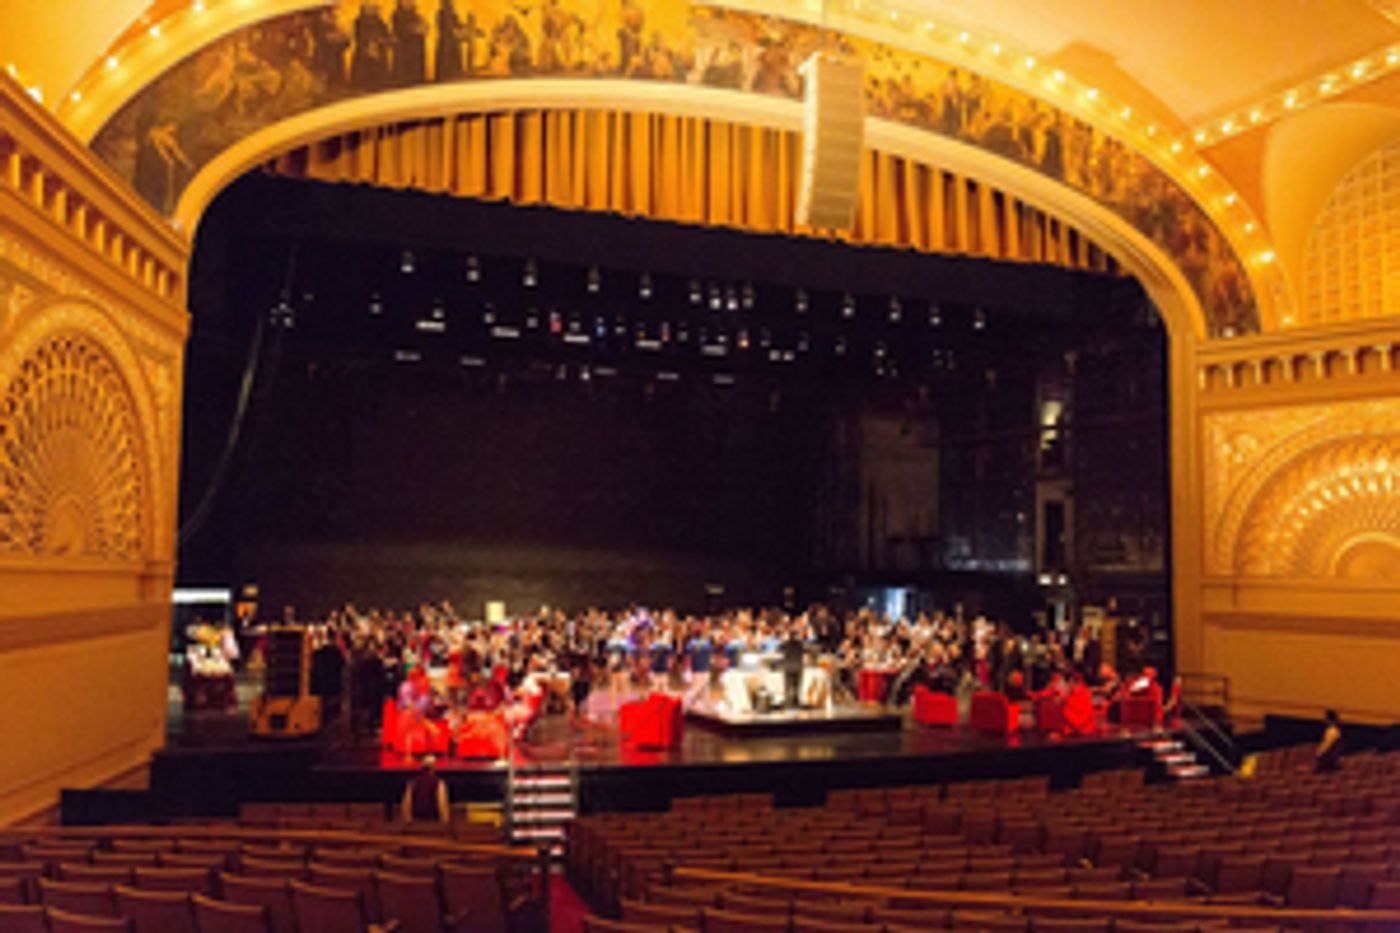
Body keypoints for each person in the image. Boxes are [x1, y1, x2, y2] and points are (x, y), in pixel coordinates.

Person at [400, 755, 450, 823]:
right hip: (432, 819)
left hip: (416, 819)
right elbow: (442, 802)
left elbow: (407, 802)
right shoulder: (438, 782)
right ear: (433, 767)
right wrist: (445, 819)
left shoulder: (413, 781)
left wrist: (407, 818)